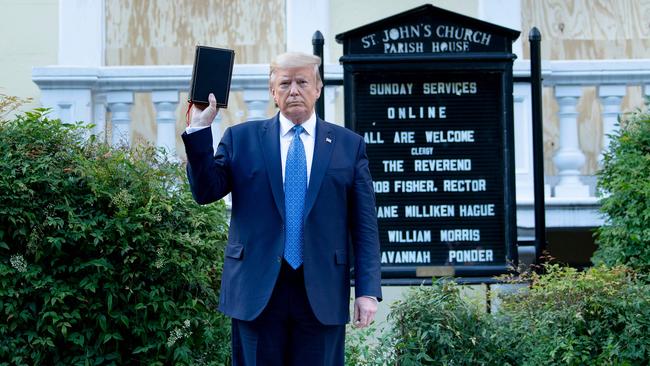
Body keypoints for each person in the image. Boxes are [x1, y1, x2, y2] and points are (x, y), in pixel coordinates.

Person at [181, 51, 382, 365]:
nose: (294, 90)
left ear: (317, 88)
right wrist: (199, 130)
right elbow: (206, 191)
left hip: (322, 291)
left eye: (302, 82)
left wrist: (368, 290)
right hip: (256, 291)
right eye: (285, 83)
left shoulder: (348, 145)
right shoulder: (241, 139)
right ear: (272, 92)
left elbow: (365, 225)